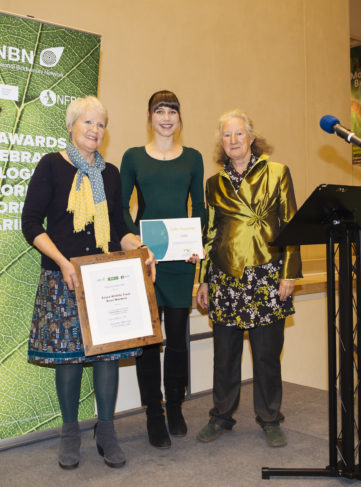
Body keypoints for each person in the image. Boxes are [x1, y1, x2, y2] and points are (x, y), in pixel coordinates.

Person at [21, 95, 155, 470]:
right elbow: (30, 223)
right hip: (63, 277)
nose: (95, 130)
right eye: (88, 123)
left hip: (103, 277)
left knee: (107, 356)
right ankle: (69, 432)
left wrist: (141, 249)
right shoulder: (51, 166)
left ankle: (106, 431)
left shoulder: (110, 174)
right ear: (71, 126)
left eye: (100, 124)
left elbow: (120, 229)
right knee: (69, 358)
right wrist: (63, 262)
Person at [195, 109, 301, 447]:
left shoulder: (277, 172)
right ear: (221, 143)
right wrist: (204, 280)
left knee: (267, 355)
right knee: (224, 355)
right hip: (226, 277)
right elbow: (209, 235)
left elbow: (290, 224)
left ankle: (270, 418)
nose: (233, 140)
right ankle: (221, 416)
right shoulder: (214, 184)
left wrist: (289, 274)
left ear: (251, 137)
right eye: (227, 135)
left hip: (267, 274)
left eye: (239, 133)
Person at [120, 90, 205, 448]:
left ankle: (174, 407)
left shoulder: (194, 158)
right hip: (148, 260)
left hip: (181, 261)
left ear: (179, 117)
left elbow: (199, 206)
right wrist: (134, 243)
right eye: (160, 111)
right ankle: (153, 412)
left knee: (177, 340)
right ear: (149, 116)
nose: (166, 117)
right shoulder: (133, 157)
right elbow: (120, 208)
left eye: (172, 111)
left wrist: (196, 247)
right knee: (149, 341)